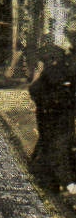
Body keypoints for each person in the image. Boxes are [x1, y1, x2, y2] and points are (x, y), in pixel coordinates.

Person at [29, 46, 76, 193]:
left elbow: (35, 89)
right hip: (55, 110)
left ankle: (39, 169)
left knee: (50, 141)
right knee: (57, 143)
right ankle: (67, 182)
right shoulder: (62, 67)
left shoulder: (63, 64)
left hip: (54, 109)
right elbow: (36, 89)